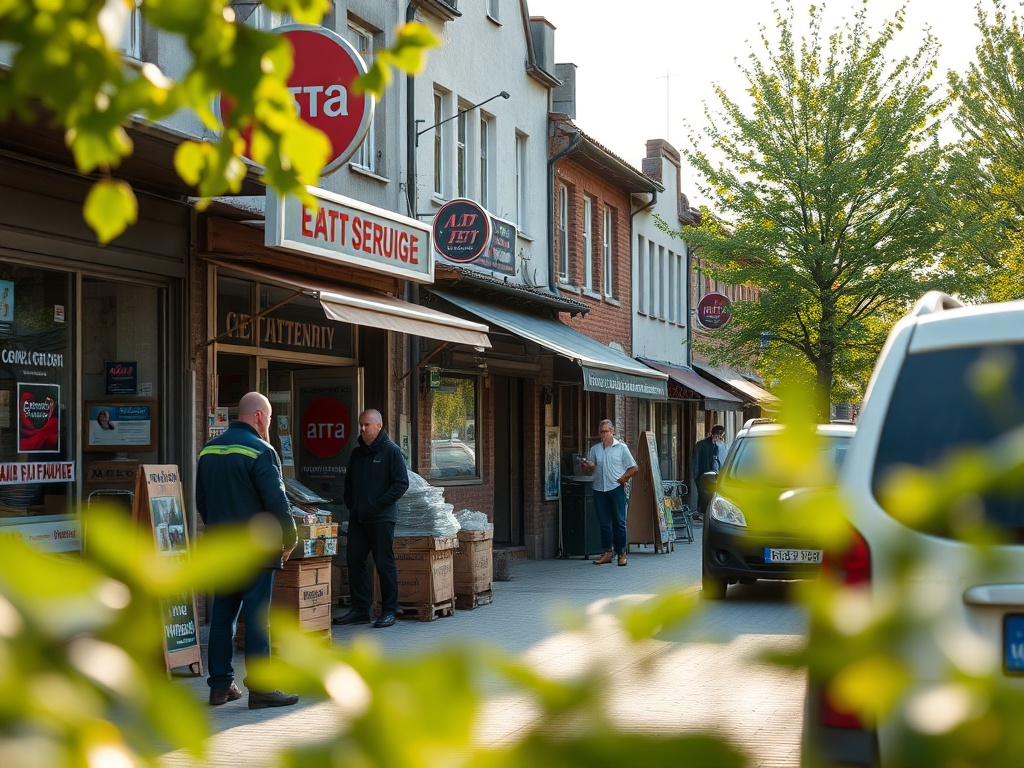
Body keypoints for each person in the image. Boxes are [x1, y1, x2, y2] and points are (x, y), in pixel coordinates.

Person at [196, 391, 299, 710]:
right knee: (257, 619)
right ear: (258, 415)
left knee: (223, 615)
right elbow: (276, 500)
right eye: (267, 416)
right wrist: (290, 537)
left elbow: (202, 502)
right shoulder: (261, 450)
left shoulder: (208, 450)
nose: (268, 422)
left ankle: (220, 685)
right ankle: (261, 688)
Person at [333, 409, 410, 629]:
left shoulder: (391, 451)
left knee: (384, 563)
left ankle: (389, 610)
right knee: (355, 561)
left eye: (367, 425)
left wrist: (377, 504)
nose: (362, 429)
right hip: (358, 517)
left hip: (381, 518)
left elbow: (401, 484)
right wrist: (351, 503)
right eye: (360, 425)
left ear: (379, 426)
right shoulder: (358, 453)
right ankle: (360, 610)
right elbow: (349, 482)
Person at [579, 419, 638, 567]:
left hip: (616, 488)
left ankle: (622, 553)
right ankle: (607, 552)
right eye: (602, 431)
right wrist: (587, 466)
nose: (604, 434)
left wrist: (622, 479)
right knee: (604, 523)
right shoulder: (595, 449)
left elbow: (634, 468)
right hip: (599, 489)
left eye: (606, 431)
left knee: (619, 521)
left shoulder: (621, 448)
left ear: (612, 431)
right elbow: (592, 469)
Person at [693, 424, 726, 516]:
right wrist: (696, 475)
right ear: (713, 434)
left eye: (719, 436)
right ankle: (702, 512)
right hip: (701, 474)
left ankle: (707, 512)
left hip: (711, 474)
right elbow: (695, 460)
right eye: (717, 436)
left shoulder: (716, 446)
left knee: (710, 495)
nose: (718, 438)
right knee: (703, 495)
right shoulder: (701, 444)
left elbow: (716, 460)